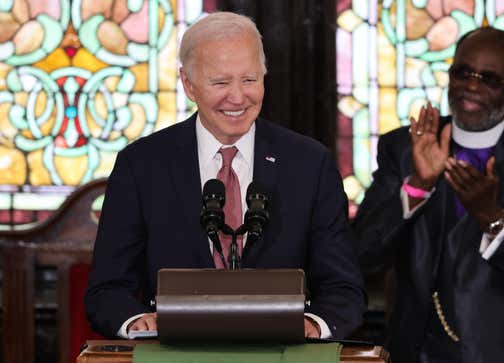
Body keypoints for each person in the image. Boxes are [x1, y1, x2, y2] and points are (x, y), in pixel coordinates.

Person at [85, 12, 364, 340]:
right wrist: (135, 323)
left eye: (250, 80)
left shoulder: (310, 164)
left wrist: (313, 325)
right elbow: (107, 289)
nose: (238, 97)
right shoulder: (142, 165)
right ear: (188, 84)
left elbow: (344, 289)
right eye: (220, 82)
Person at [352, 28, 504, 363]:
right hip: (414, 352)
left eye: (489, 79)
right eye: (463, 72)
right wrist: (417, 186)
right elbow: (360, 254)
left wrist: (492, 217)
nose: (471, 85)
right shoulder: (403, 148)